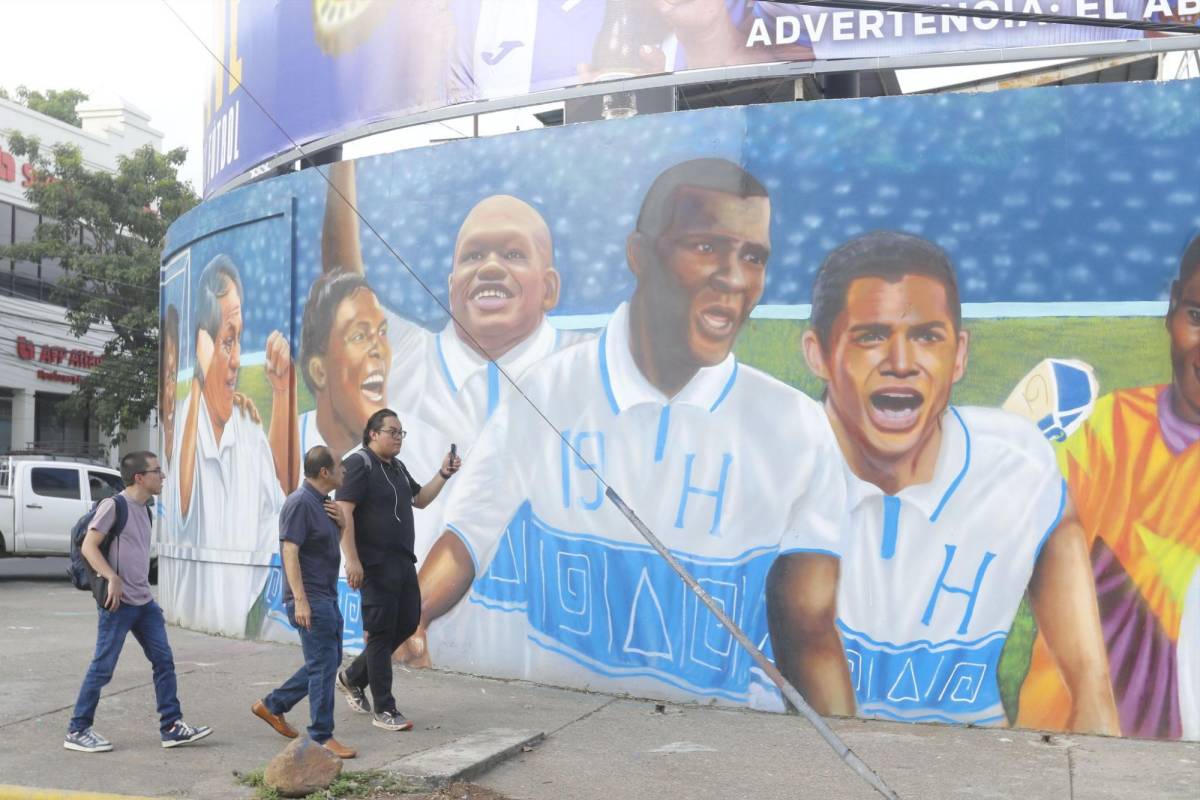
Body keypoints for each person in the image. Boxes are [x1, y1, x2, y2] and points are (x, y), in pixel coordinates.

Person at [402, 158, 848, 706]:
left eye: (752, 256)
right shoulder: (547, 393)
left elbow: (812, 634)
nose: (733, 277)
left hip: (719, 753)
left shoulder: (795, 428)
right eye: (705, 247)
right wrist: (411, 617)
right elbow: (467, 537)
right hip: (560, 738)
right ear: (640, 256)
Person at [767, 231, 1120, 732]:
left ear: (959, 356)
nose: (902, 363)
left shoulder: (1019, 466)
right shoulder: (769, 470)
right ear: (817, 353)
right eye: (870, 335)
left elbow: (1091, 687)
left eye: (927, 336)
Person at [1018, 233, 1200, 739]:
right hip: (1058, 748)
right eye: (1197, 317)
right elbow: (1019, 537)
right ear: (1171, 311)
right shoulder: (1107, 428)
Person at [170, 255, 296, 637]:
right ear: (203, 346)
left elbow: (282, 494)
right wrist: (198, 376)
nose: (238, 359)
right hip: (197, 630)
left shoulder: (245, 424)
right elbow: (185, 499)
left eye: (239, 339)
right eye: (228, 341)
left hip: (243, 624)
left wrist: (282, 392)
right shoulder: (185, 427)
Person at [65, 451, 212, 753]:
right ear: (139, 477)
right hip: (118, 604)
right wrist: (111, 577)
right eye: (157, 471)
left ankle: (171, 726)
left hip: (144, 603)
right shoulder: (113, 506)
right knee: (103, 667)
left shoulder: (145, 508)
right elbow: (88, 546)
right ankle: (78, 729)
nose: (163, 476)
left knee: (164, 662)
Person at [333, 409, 460, 731]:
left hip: (402, 562)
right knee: (380, 633)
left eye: (402, 433)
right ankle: (384, 709)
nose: (398, 438)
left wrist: (443, 474)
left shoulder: (397, 467)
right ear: (373, 433)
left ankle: (352, 676)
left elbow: (420, 500)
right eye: (392, 432)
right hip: (374, 565)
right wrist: (352, 560)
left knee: (405, 624)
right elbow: (343, 512)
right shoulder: (358, 465)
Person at [252, 446, 356, 759]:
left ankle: (273, 705)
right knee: (324, 664)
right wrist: (300, 601)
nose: (344, 471)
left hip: (326, 595)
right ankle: (321, 735)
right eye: (340, 465)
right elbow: (290, 551)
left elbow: (324, 548)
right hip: (310, 598)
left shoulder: (324, 504)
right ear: (324, 472)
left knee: (326, 661)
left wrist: (342, 525)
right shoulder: (299, 503)